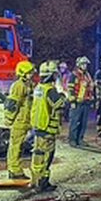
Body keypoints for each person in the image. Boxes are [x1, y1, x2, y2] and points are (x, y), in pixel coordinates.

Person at [30, 60, 66, 192]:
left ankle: (35, 181)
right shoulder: (50, 90)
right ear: (52, 75)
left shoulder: (38, 88)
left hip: (38, 127)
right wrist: (62, 95)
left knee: (37, 155)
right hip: (47, 129)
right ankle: (43, 183)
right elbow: (59, 104)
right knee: (46, 157)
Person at [4, 59, 35, 179]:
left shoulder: (28, 84)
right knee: (16, 146)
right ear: (22, 72)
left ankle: (16, 168)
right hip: (19, 121)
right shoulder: (19, 86)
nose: (32, 74)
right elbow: (12, 104)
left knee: (20, 146)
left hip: (25, 120)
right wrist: (9, 119)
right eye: (29, 72)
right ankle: (14, 170)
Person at [67, 55, 95, 147]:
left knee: (83, 123)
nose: (85, 66)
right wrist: (72, 102)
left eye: (86, 64)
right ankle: (72, 140)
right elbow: (70, 89)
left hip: (86, 102)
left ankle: (80, 139)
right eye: (83, 64)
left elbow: (90, 88)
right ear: (79, 64)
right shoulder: (74, 75)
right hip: (77, 102)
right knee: (75, 122)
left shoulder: (87, 75)